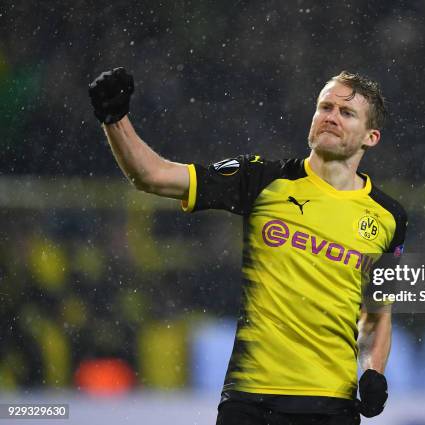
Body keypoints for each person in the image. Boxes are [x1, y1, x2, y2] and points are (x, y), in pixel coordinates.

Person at [88, 67, 407, 425]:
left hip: (331, 405)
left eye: (346, 113)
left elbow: (377, 312)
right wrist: (115, 119)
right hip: (250, 401)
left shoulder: (389, 217)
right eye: (325, 107)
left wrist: (374, 371)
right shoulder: (261, 179)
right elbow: (152, 176)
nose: (331, 117)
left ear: (371, 137)